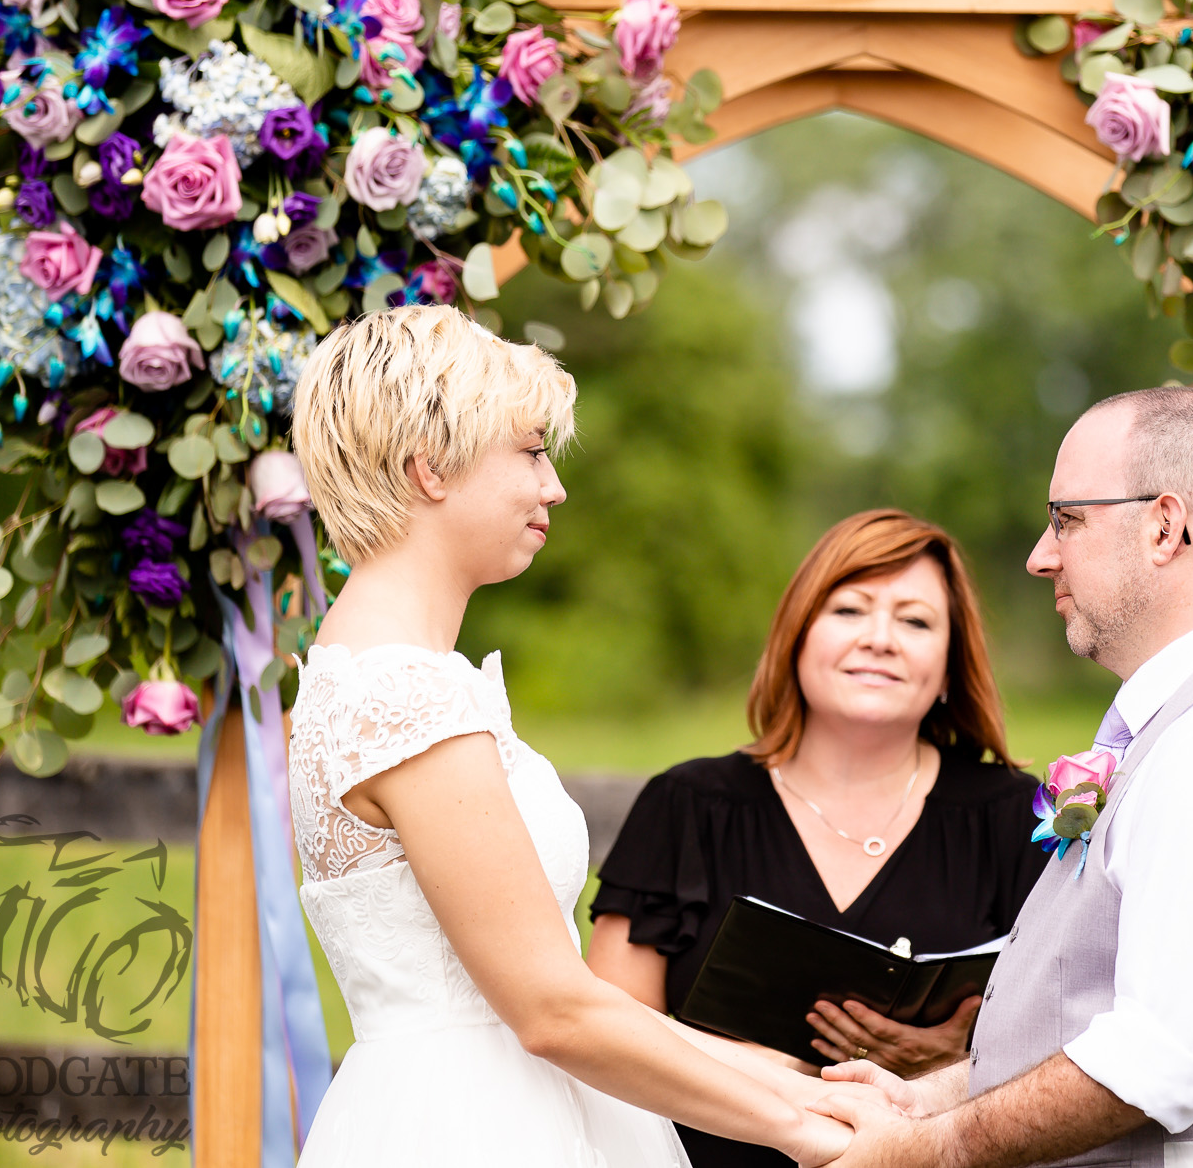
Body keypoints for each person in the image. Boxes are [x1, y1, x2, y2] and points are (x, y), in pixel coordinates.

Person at [284, 304, 854, 1167]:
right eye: (530, 450)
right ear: (430, 467)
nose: (553, 486)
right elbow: (553, 1010)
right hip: (477, 1129)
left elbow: (558, 990)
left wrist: (800, 1085)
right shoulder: (407, 697)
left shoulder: (357, 673)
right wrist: (809, 1138)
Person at [814, 387, 1193, 1168]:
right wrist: (929, 1095)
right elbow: (1092, 1012)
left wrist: (922, 1150)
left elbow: (1151, 1062)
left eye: (1067, 518)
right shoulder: (1188, 717)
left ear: (1164, 527)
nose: (1041, 554)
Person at [589, 509, 1048, 1168]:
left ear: (949, 664)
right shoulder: (687, 805)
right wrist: (777, 1072)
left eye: (915, 621)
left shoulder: (1011, 817)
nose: (880, 639)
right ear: (797, 635)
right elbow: (605, 1030)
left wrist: (952, 1062)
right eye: (849, 609)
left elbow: (1075, 1034)